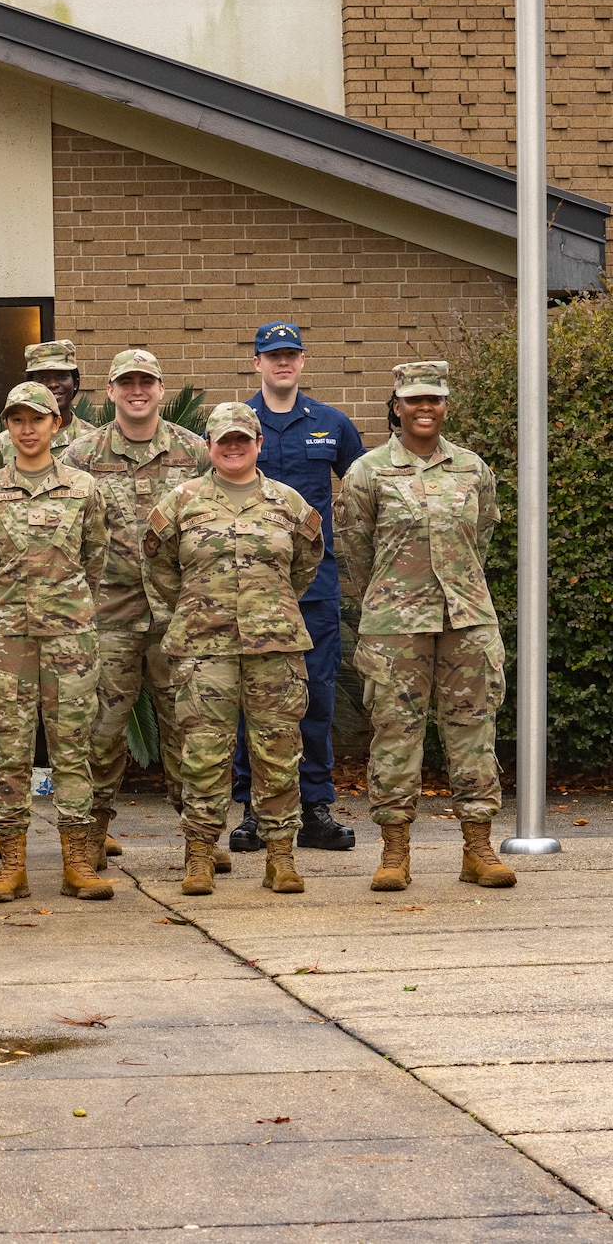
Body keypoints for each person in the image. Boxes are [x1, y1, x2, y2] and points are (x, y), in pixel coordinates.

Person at [336, 360, 514, 893]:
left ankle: (478, 847)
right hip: (395, 623)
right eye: (413, 399)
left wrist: (455, 590)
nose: (424, 408)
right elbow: (356, 551)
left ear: (445, 405)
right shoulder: (368, 472)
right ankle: (394, 850)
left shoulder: (472, 469)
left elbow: (479, 539)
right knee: (395, 732)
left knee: (473, 730)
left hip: (467, 618)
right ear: (396, 405)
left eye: (433, 399)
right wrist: (392, 598)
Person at [146, 402, 324, 896]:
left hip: (276, 648)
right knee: (202, 753)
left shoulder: (288, 503)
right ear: (209, 446)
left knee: (278, 751)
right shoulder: (180, 502)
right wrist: (196, 609)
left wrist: (269, 607)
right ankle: (200, 855)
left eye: (242, 439)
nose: (232, 447)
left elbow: (306, 564)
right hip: (204, 649)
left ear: (258, 444)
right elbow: (159, 571)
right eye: (223, 440)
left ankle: (281, 857)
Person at [61, 349, 207, 872]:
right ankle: (92, 835)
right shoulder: (80, 456)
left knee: (187, 733)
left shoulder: (196, 453)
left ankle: (199, 843)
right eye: (127, 383)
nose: (137, 391)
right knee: (100, 731)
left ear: (162, 389)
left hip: (180, 619)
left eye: (146, 382)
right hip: (109, 616)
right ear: (111, 391)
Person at [0, 382, 110, 901]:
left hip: (70, 637)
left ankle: (78, 862)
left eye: (37, 419)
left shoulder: (84, 489)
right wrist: (7, 609)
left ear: (58, 424)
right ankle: (12, 865)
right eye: (18, 420)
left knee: (72, 748)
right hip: (8, 637)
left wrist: (65, 607)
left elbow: (94, 560)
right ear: (7, 426)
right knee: (10, 750)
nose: (27, 429)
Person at [229, 321, 367, 854]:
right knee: (249, 699)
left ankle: (313, 807)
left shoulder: (331, 424)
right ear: (257, 362)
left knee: (315, 696)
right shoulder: (235, 424)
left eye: (290, 355)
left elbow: (362, 493)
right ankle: (253, 812)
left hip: (314, 588)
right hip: (248, 587)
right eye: (272, 355)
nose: (281, 363)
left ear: (302, 362)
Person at [0, 340, 89, 468]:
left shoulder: (94, 442)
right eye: (43, 378)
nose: (53, 384)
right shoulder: (3, 444)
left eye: (62, 376)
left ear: (75, 383)